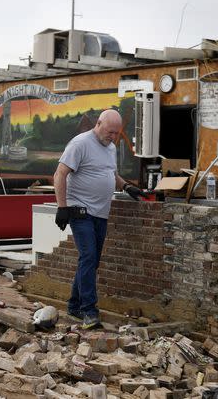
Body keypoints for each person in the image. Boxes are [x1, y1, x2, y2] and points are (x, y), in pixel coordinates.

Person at [53, 109, 145, 329]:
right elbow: (60, 174)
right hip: (80, 211)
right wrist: (62, 207)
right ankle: (89, 311)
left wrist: (126, 186)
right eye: (110, 132)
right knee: (88, 256)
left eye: (116, 133)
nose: (113, 137)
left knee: (91, 261)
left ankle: (74, 305)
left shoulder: (110, 148)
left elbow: (109, 173)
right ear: (99, 123)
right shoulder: (80, 144)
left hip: (101, 213)